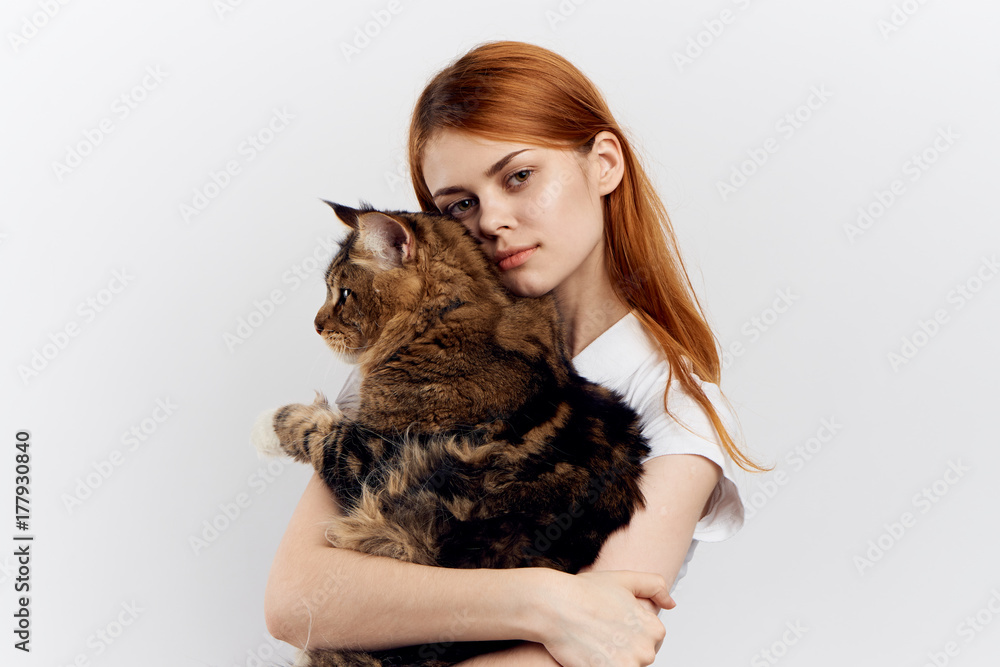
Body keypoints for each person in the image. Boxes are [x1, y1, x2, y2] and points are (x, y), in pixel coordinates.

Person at [264, 40, 770, 666]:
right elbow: (294, 602)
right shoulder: (411, 358)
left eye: (519, 176)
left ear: (604, 163)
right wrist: (543, 601)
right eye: (460, 204)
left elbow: (598, 649)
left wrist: (397, 600)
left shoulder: (671, 402)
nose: (492, 220)